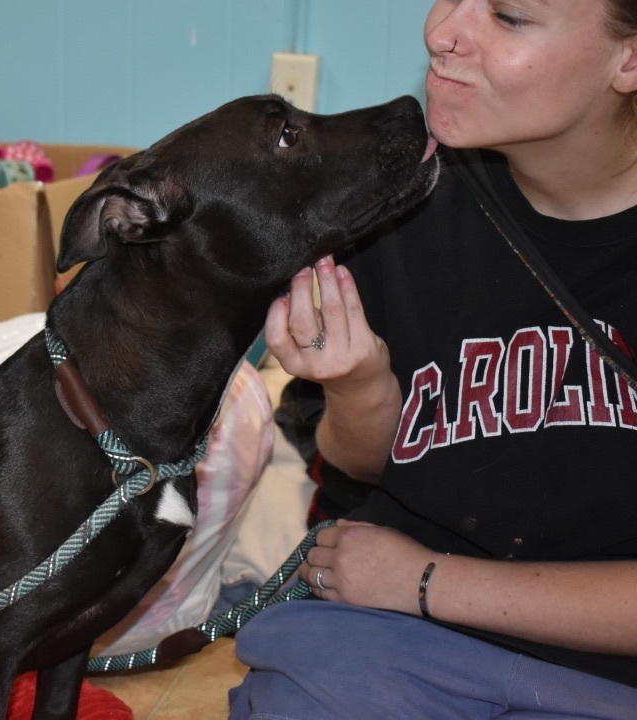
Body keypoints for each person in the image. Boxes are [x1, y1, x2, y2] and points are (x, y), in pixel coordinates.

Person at [230, 0, 637, 717]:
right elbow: (365, 463)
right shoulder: (398, 197)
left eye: (509, 16)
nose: (443, 33)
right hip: (386, 648)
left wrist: (428, 582)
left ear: (628, 61)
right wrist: (358, 385)